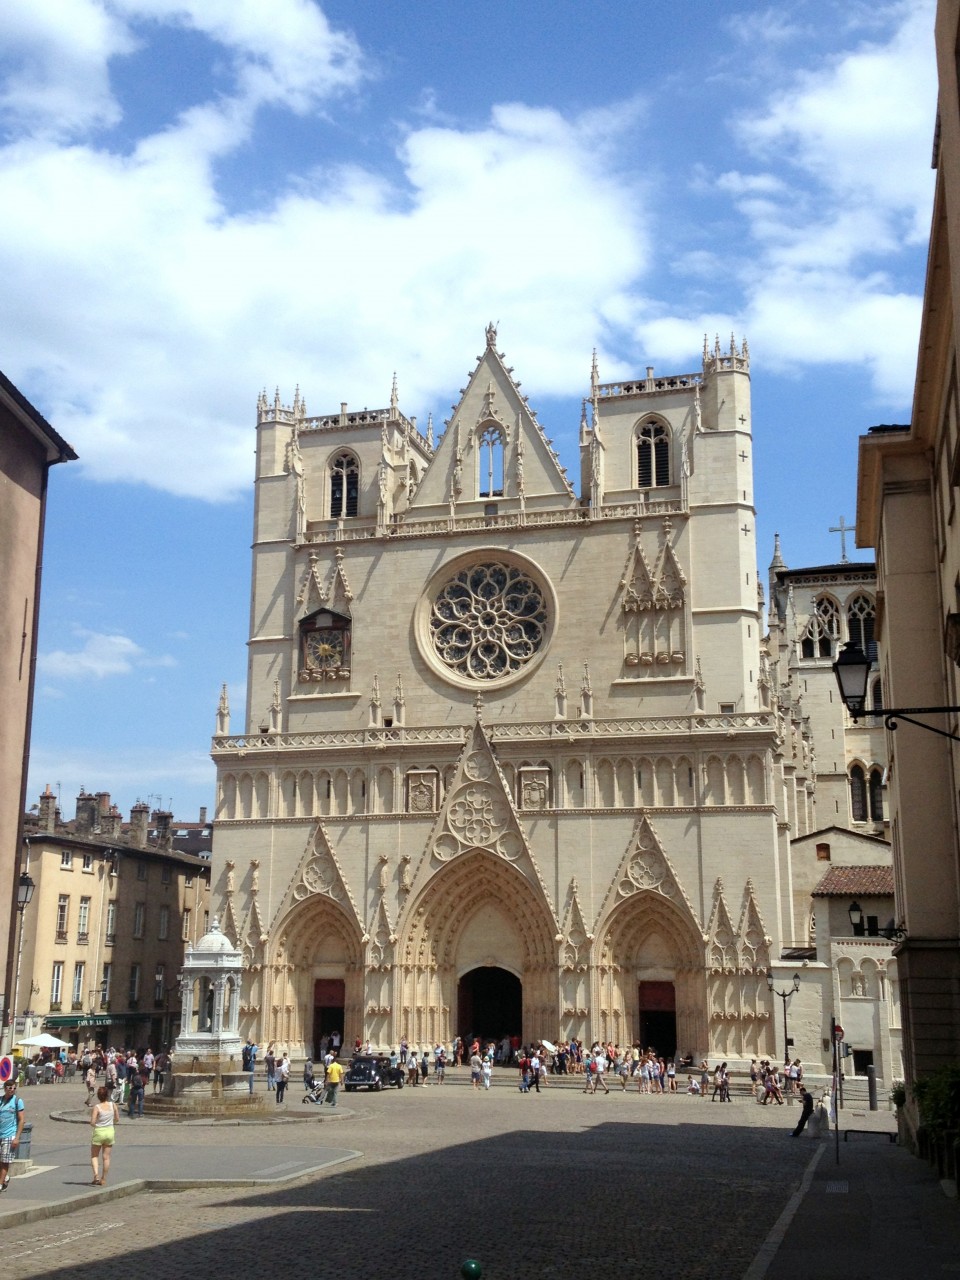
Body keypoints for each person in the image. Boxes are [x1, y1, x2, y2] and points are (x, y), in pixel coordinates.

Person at [90, 1084, 119, 1186]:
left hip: (99, 1131)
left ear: (98, 1096)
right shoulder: (113, 1105)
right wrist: (111, 1122)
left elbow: (92, 1121)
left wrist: (96, 1124)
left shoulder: (97, 1107)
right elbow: (117, 1119)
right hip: (109, 1131)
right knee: (106, 1157)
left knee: (94, 1155)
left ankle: (96, 1176)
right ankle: (103, 1178)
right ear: (107, 1095)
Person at [0, 1079, 25, 1192]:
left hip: (9, 1135)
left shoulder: (17, 1101)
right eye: (10, 1088)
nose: (12, 1090)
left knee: (5, 1161)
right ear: (5, 1089)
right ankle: (5, 1177)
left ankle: (0, 1184)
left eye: (14, 1088)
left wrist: (17, 1137)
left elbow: (21, 1120)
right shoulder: (1, 1100)